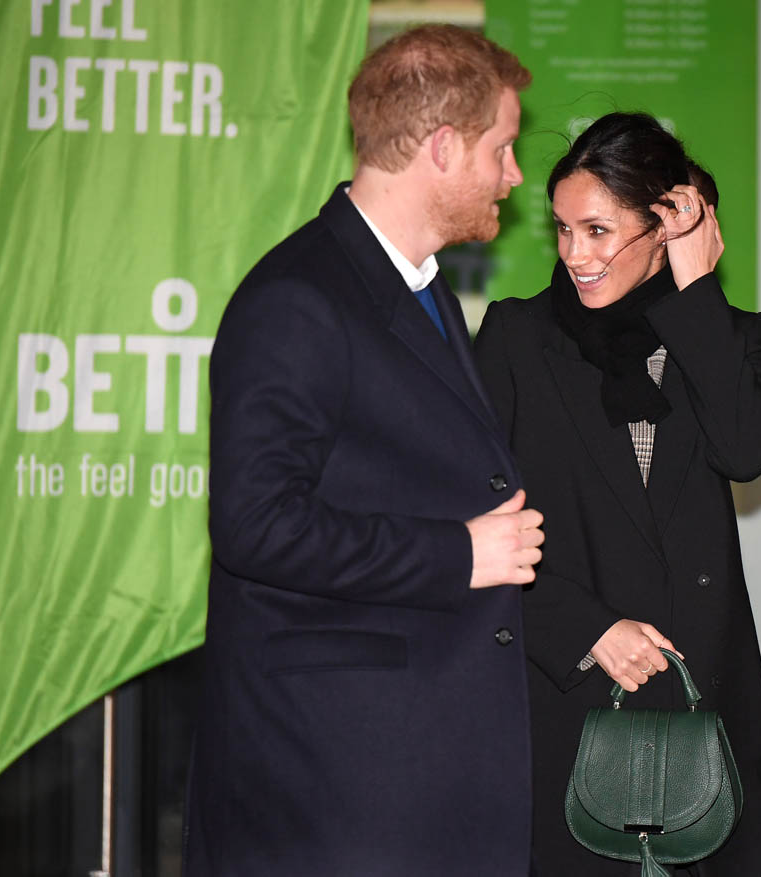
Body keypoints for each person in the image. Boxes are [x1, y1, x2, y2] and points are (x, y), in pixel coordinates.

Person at [184, 25, 544, 877]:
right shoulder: (297, 299)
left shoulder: (420, 289)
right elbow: (255, 524)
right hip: (336, 791)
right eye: (502, 148)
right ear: (444, 148)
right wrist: (458, 553)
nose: (514, 175)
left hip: (403, 780)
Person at [474, 113, 761, 876]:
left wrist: (696, 288)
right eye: (563, 230)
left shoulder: (728, 336)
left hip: (699, 698)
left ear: (664, 226)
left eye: (598, 231)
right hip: (569, 690)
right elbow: (476, 521)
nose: (575, 254)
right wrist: (586, 627)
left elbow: (747, 452)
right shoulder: (517, 339)